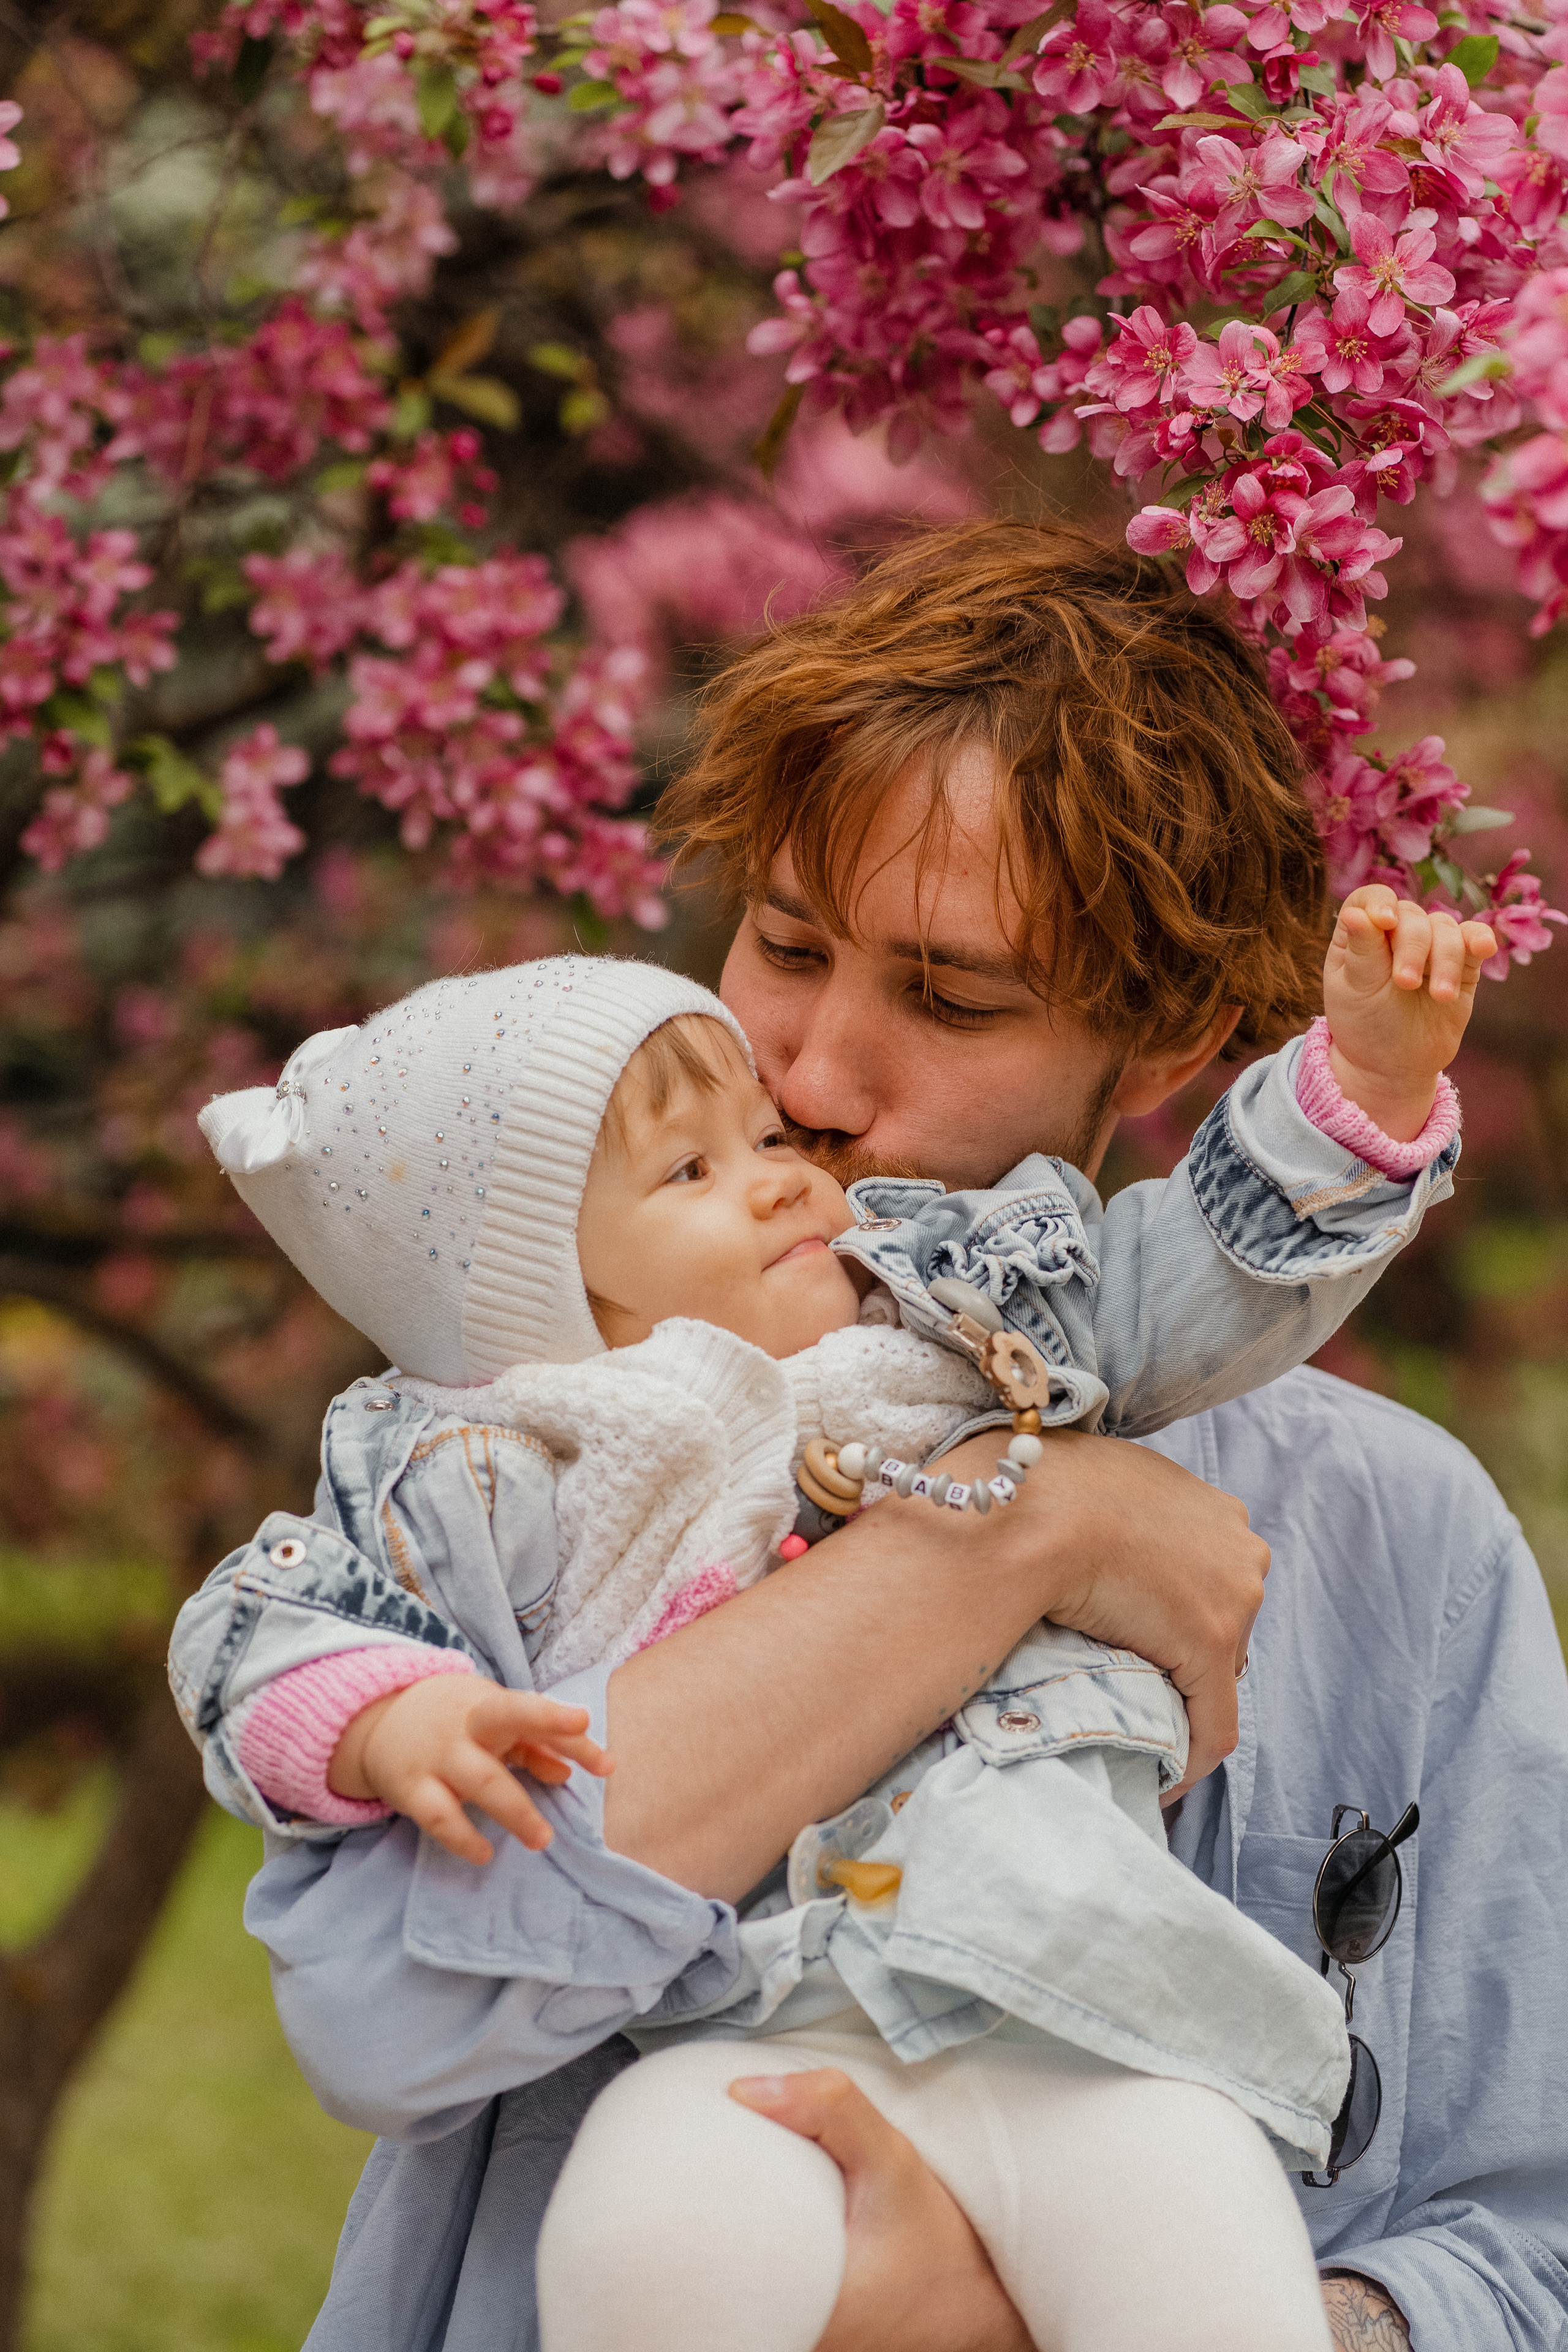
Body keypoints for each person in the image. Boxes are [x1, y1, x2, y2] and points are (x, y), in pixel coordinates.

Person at [181, 524, 1568, 2352]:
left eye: (952, 997)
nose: (817, 1077)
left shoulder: (1401, 1540)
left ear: (1165, 1045)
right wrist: (1025, 1530)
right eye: (785, 943)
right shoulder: (543, 1467)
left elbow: (1527, 2249)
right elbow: (391, 2010)